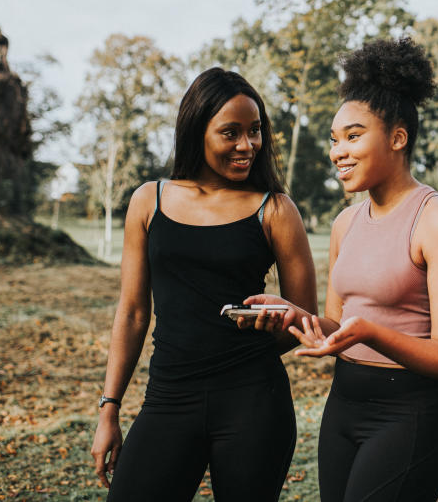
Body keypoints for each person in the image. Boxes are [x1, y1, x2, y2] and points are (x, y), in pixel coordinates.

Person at [246, 37, 438, 502]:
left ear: (397, 137)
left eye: (353, 136)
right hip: (344, 406)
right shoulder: (344, 223)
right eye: (334, 140)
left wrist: (370, 333)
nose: (338, 152)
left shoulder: (437, 219)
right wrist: (294, 315)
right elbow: (336, 325)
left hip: (410, 412)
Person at [89, 68, 317, 502]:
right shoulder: (148, 200)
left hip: (254, 401)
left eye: (255, 131)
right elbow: (134, 312)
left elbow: (302, 319)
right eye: (230, 132)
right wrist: (109, 409)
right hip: (169, 397)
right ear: (197, 130)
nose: (247, 145)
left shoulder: (276, 210)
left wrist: (275, 323)